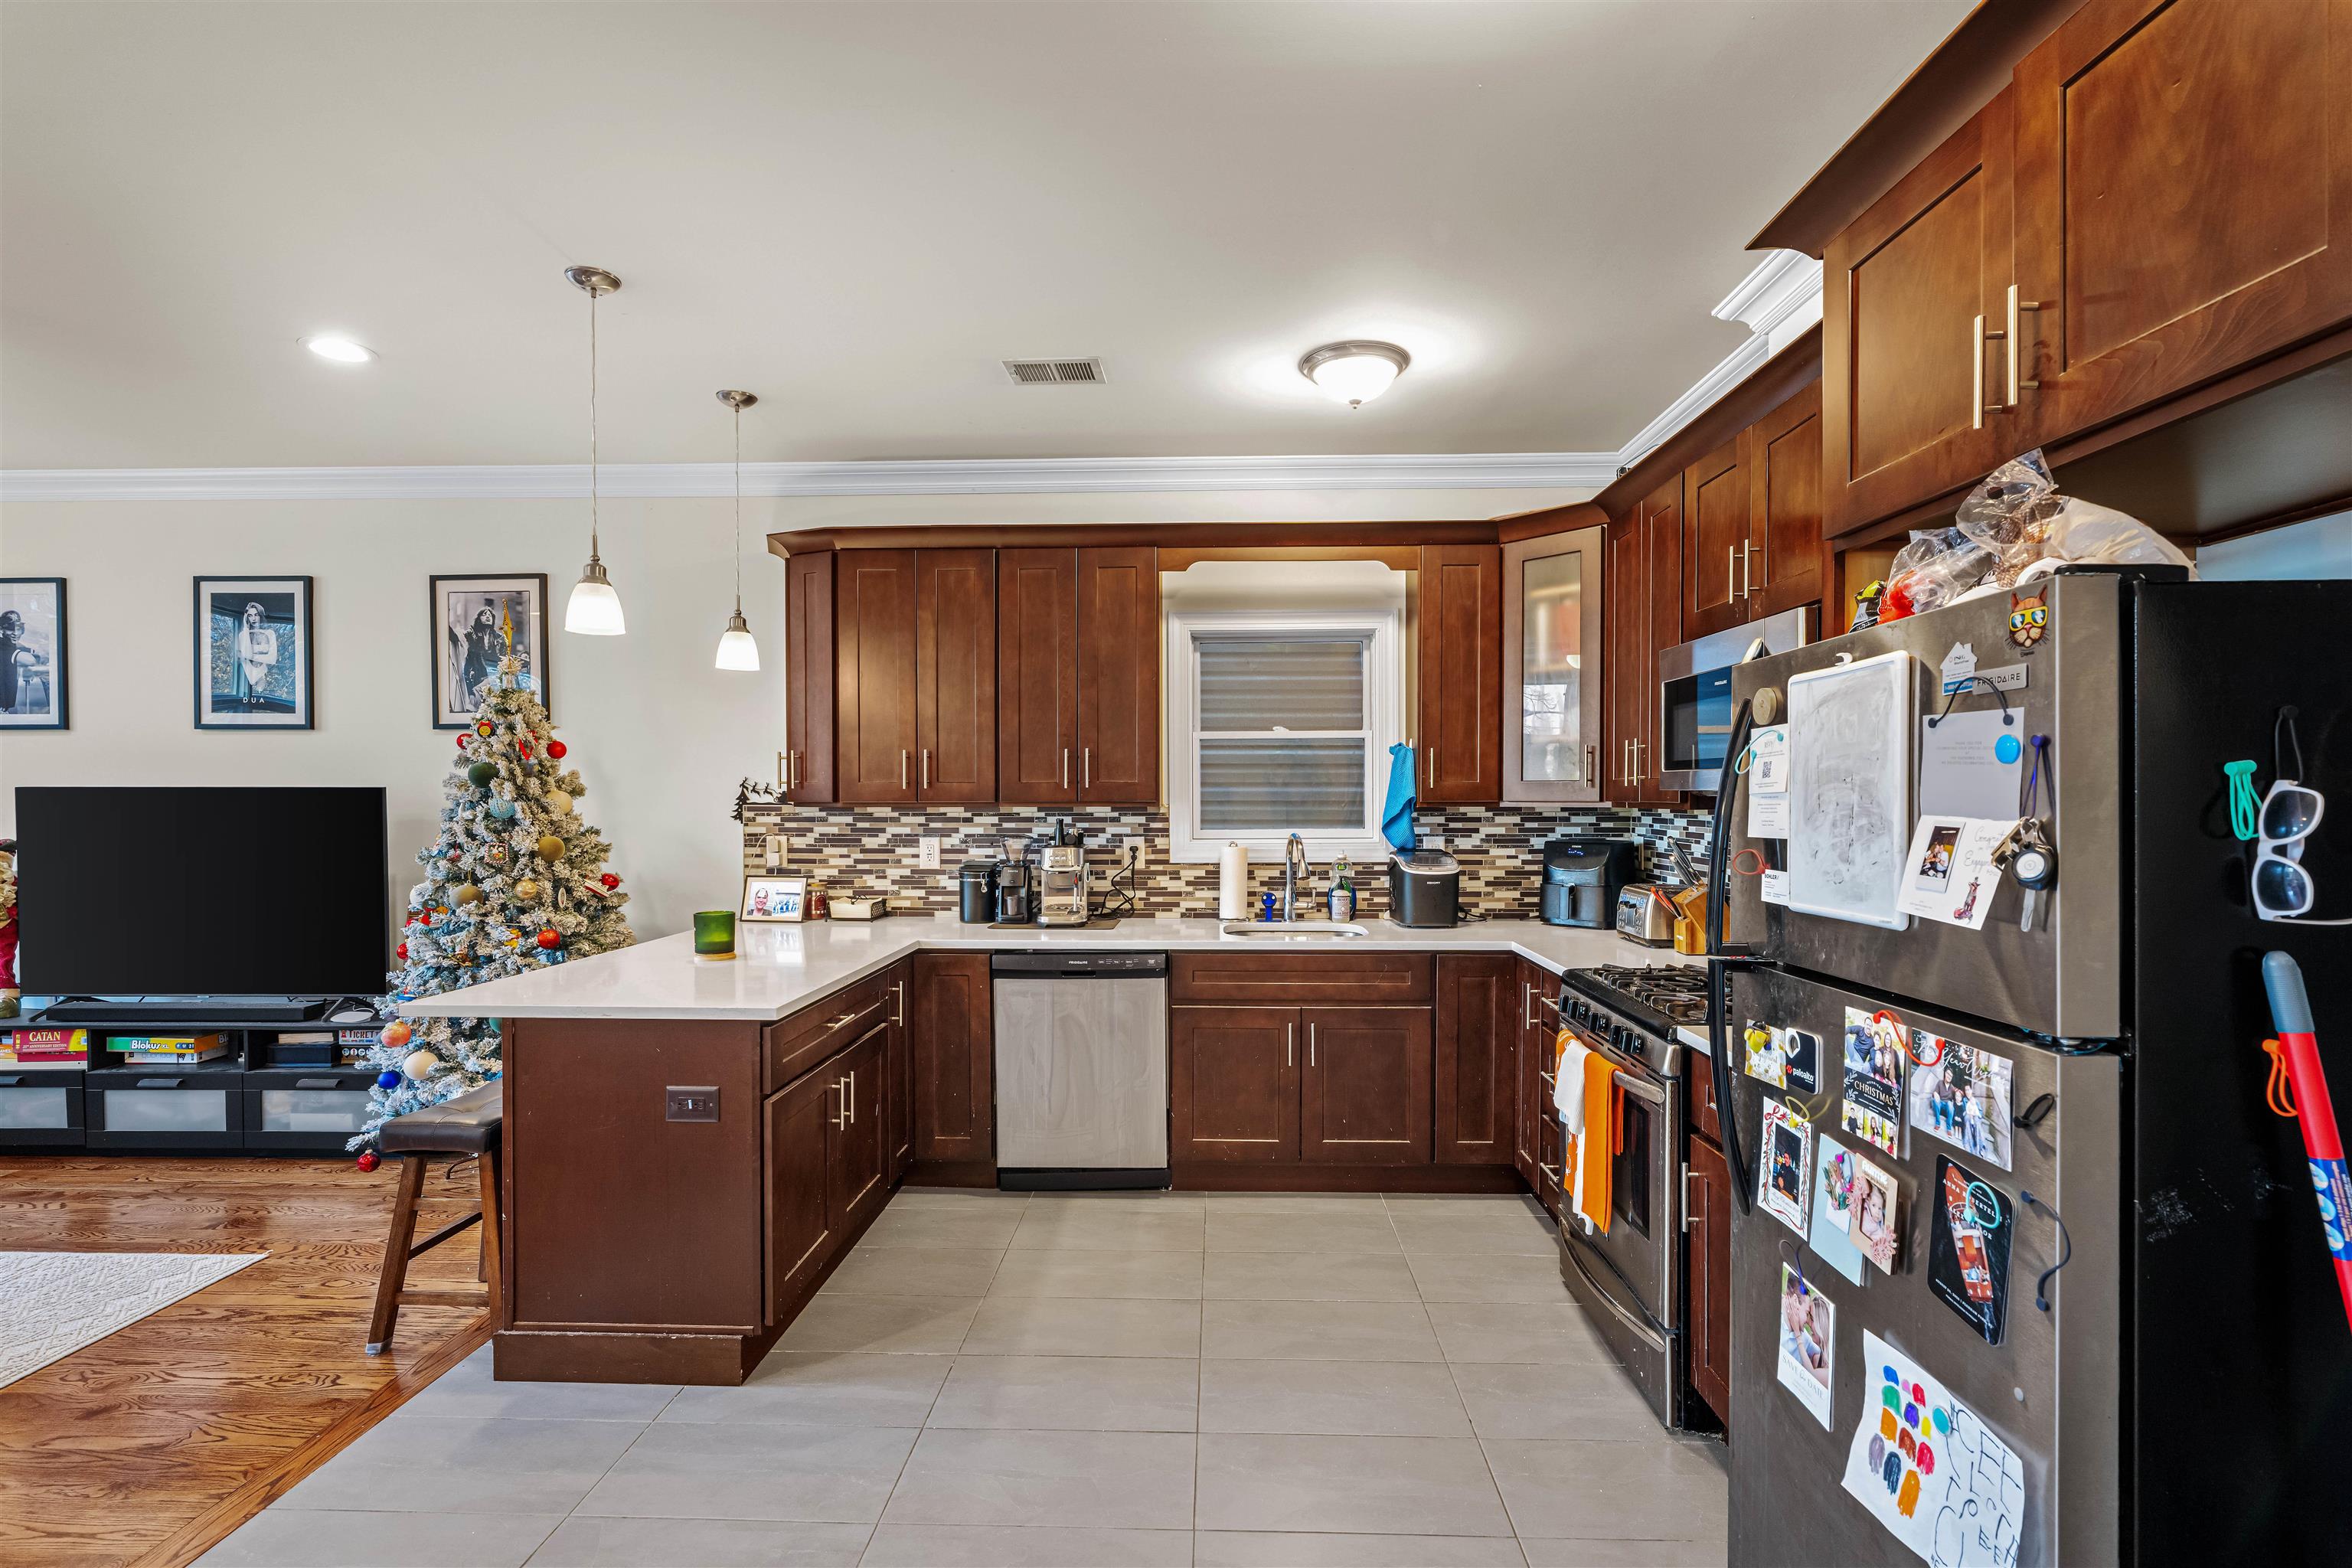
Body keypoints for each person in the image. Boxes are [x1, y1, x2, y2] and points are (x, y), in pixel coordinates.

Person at [230, 601, 278, 710]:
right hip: (245, 679)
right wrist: (246, 629)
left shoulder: (270, 633)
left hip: (265, 675)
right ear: (247, 618)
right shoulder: (243, 634)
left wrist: (248, 656)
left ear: (261, 615)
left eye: (256, 615)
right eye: (250, 616)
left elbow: (272, 659)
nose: (254, 619)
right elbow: (247, 653)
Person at [0, 608, 47, 715]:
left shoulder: (11, 646)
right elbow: (30, 660)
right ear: (1, 630)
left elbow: (40, 654)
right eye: (10, 629)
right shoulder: (3, 646)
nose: (15, 633)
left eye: (18, 629)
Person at [457, 603, 502, 709]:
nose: (488, 616)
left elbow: (503, 663)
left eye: (490, 615)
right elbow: (467, 665)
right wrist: (470, 691)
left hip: (495, 680)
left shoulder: (499, 639)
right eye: (484, 614)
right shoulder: (471, 635)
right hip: (478, 679)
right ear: (478, 619)